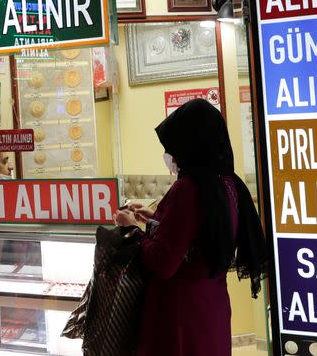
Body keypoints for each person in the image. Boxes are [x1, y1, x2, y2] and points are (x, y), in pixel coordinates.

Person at [113, 99, 268, 356]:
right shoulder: (227, 182)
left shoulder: (189, 187)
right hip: (211, 307)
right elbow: (202, 234)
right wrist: (155, 221)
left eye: (174, 145)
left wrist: (131, 229)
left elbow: (163, 262)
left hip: (180, 317)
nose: (171, 154)